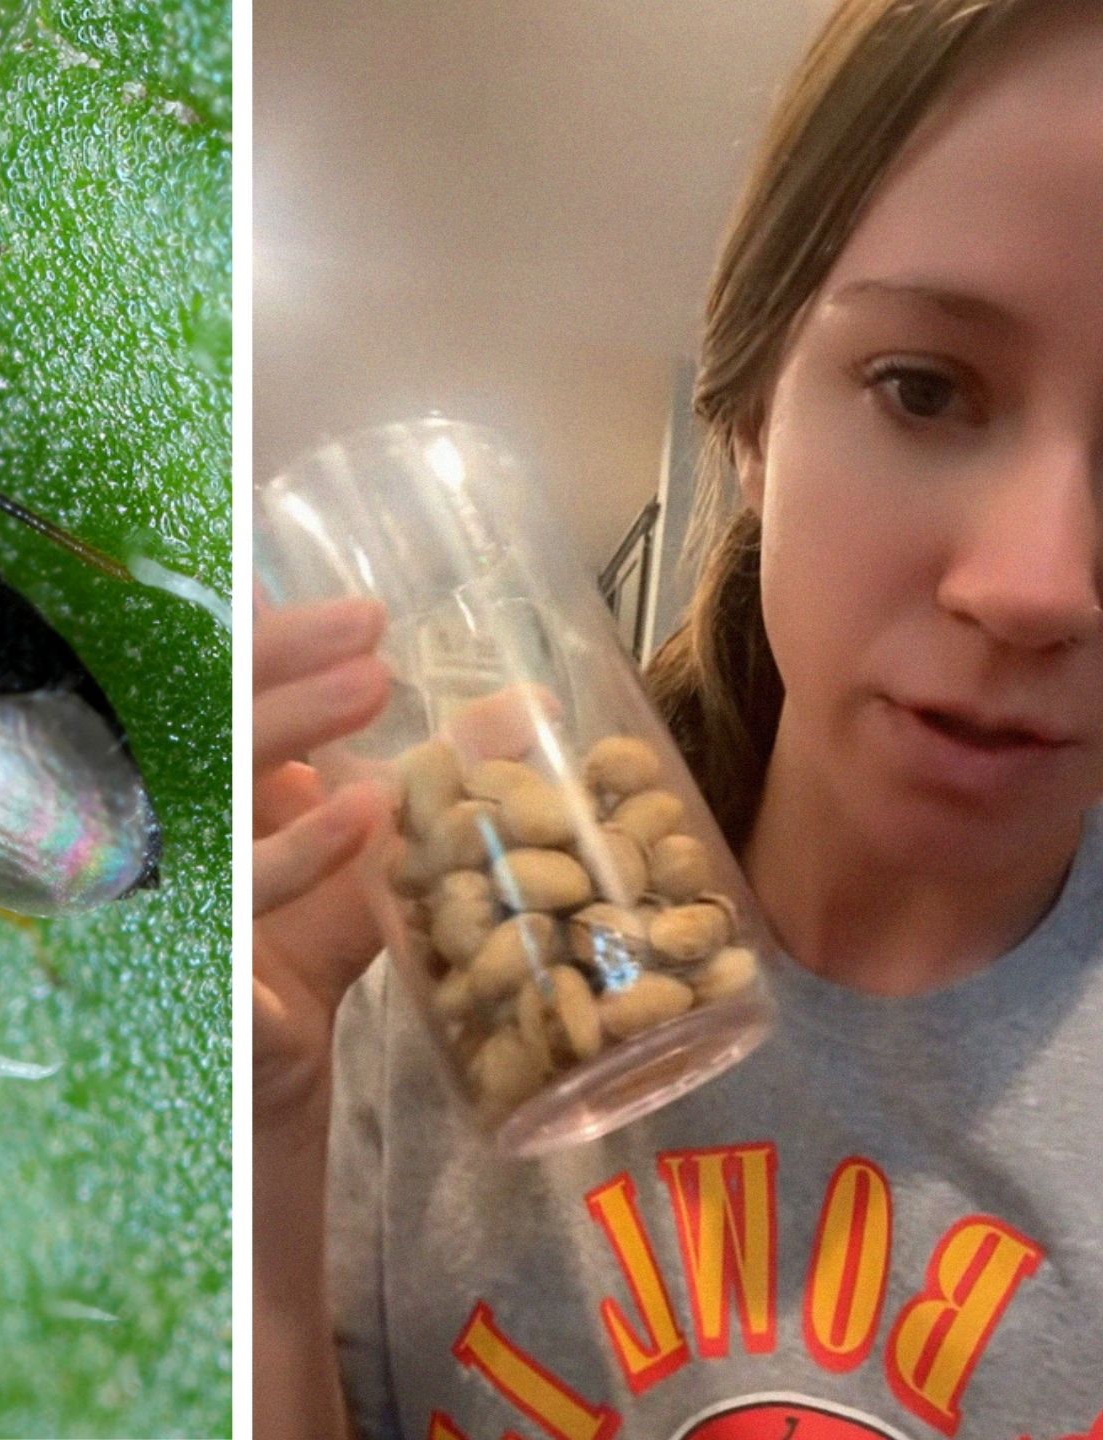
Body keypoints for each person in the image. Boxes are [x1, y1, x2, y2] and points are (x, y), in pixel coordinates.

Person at [255, 0, 1103, 1434]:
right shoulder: (401, 1016)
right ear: (752, 422)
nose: (1033, 585)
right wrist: (268, 1152)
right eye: (924, 388)